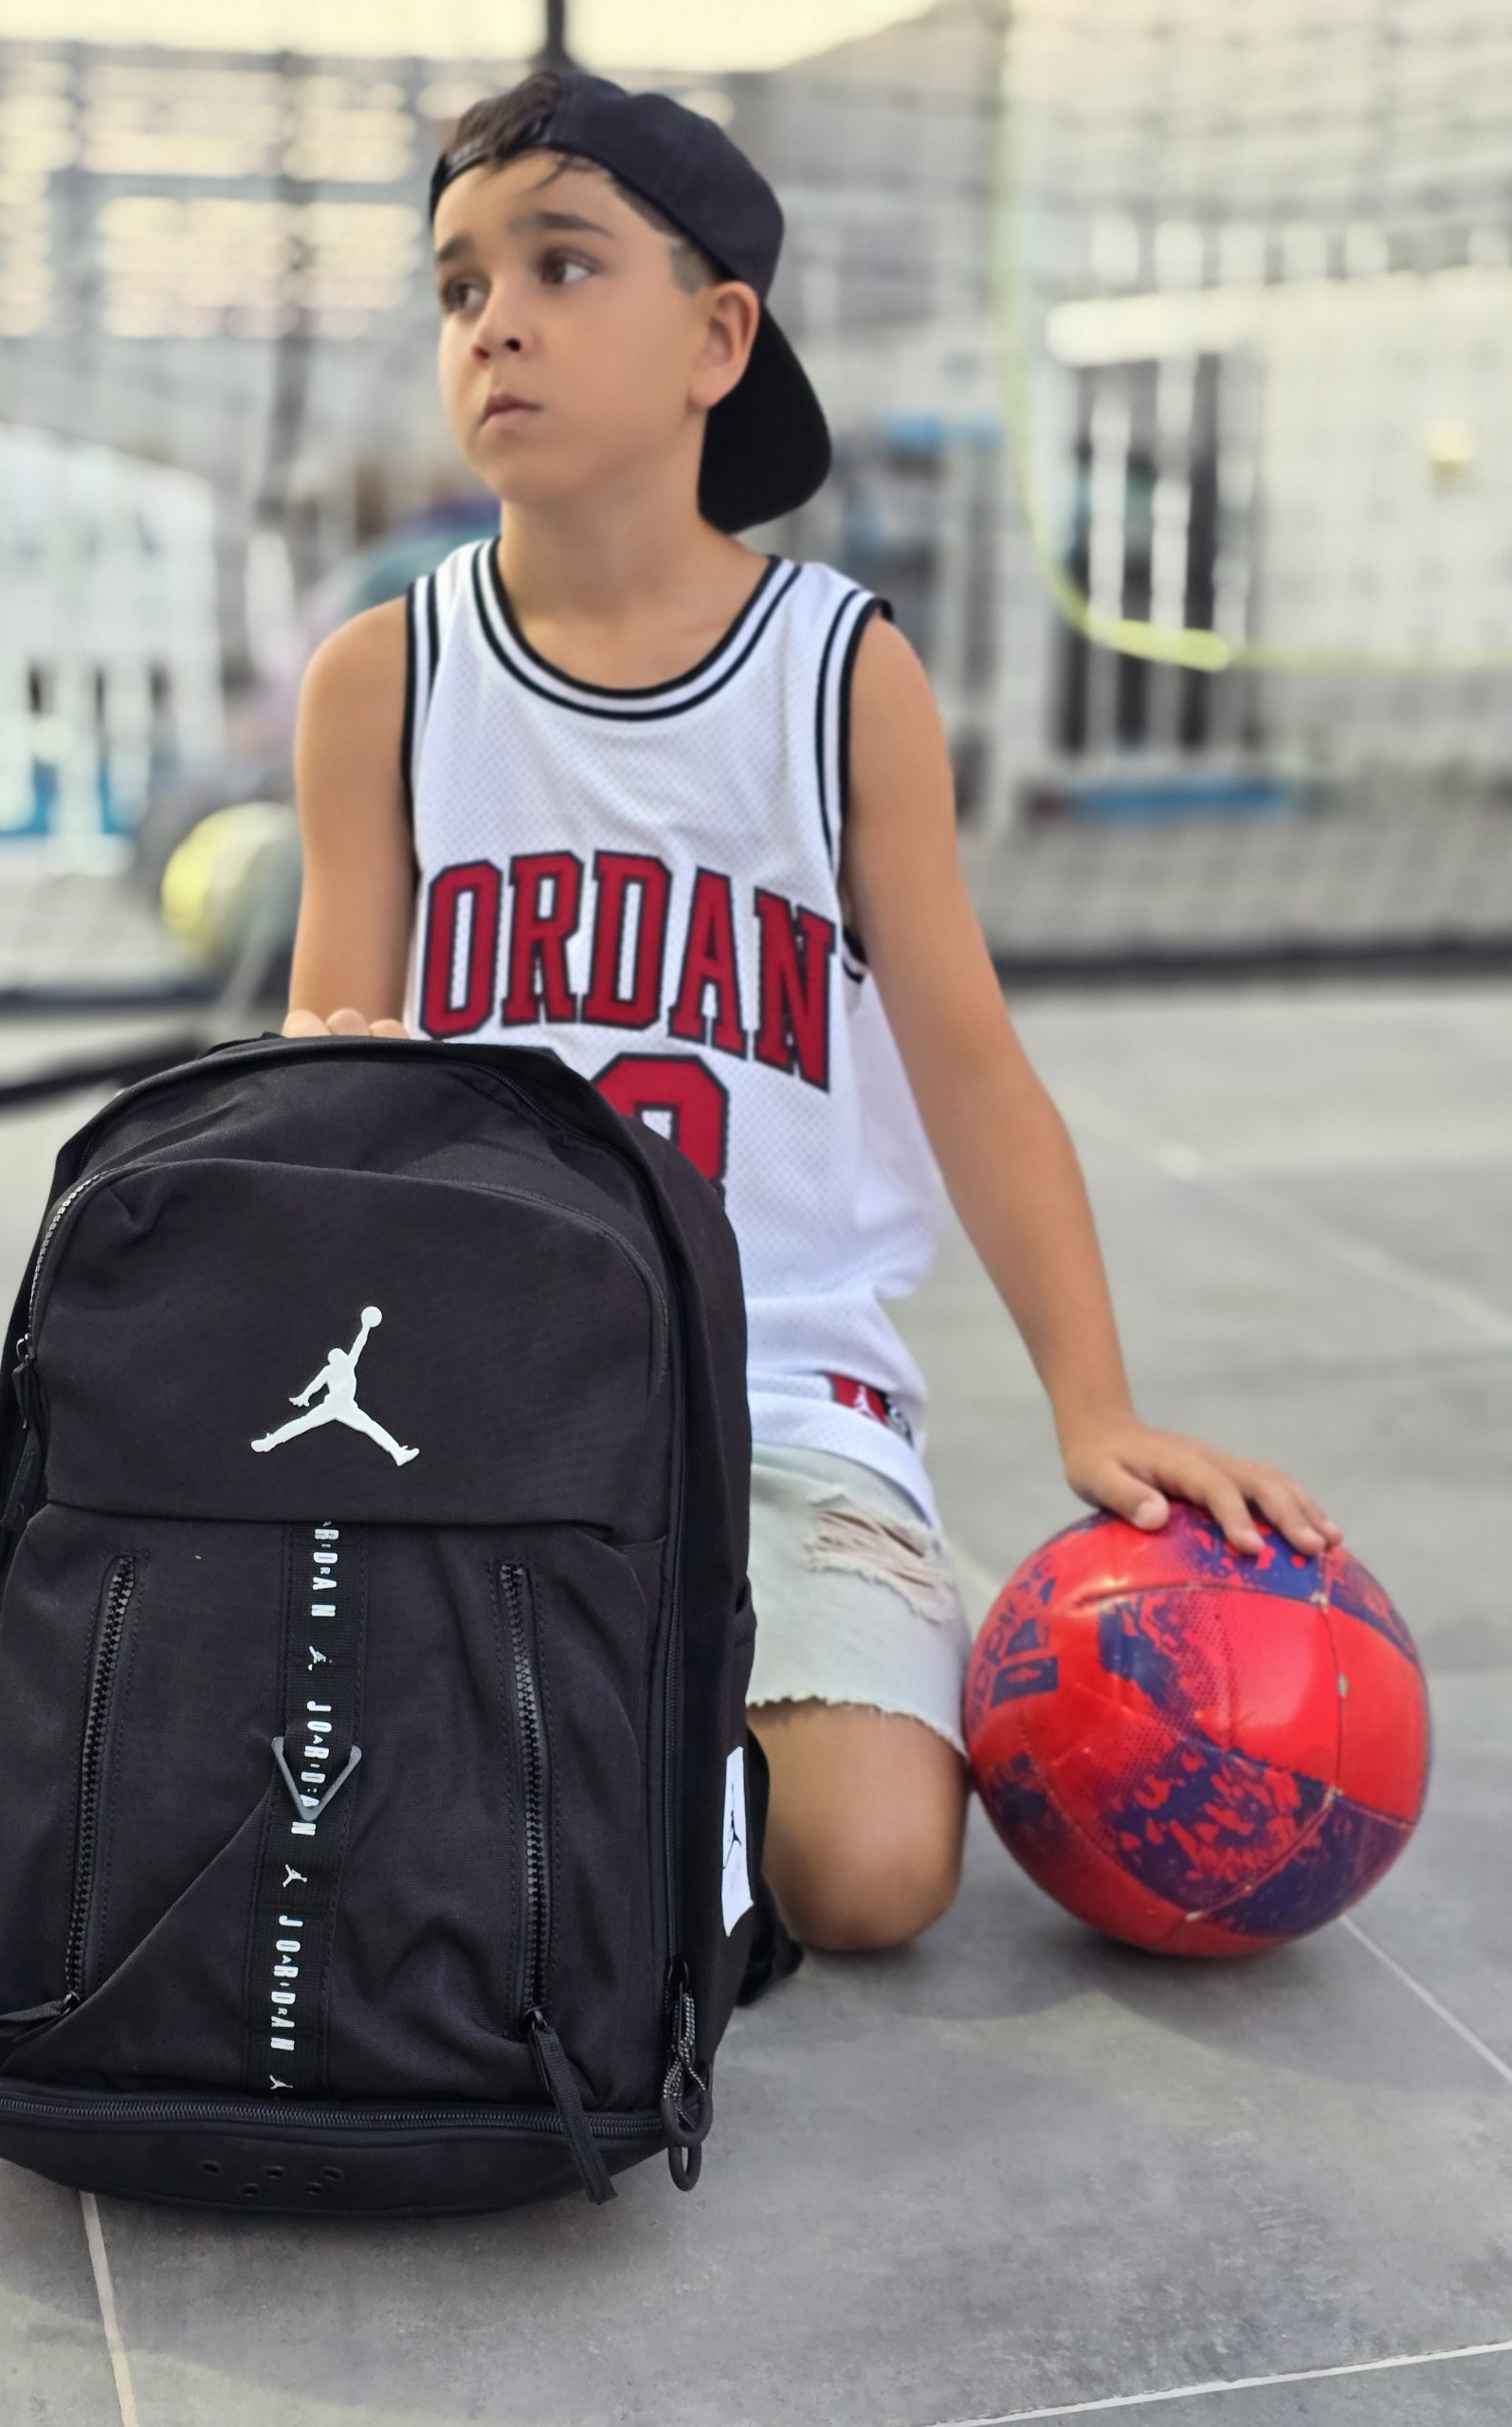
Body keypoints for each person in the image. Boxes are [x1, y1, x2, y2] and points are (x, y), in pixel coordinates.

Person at [278, 70, 1341, 1957]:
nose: (494, 320)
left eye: (560, 264)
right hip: (482, 1395)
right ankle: (614, 1734)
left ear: (718, 339)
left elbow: (972, 1071)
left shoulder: (839, 674)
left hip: (780, 1395)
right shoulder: (384, 679)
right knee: (330, 1804)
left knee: (871, 1873)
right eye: (458, 287)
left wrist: (1092, 1405)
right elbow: (327, 1102)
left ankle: (651, 1723)